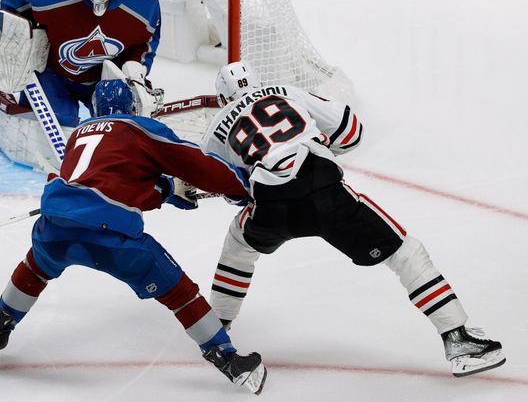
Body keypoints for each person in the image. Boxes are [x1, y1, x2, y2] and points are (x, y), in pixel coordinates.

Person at [201, 61, 505, 378]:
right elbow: (352, 131)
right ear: (258, 80)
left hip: (271, 205)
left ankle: (215, 333)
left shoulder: (213, 133)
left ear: (223, 98)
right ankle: (457, 339)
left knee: (238, 246)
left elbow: (231, 191)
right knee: (405, 252)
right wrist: (322, 145)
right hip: (323, 188)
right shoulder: (288, 93)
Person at [0, 79, 267, 395]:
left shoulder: (78, 134)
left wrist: (167, 192)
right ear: (131, 106)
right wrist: (243, 187)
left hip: (56, 225)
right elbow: (197, 164)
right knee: (179, 292)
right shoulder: (138, 128)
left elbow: (114, 183)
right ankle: (227, 358)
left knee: (34, 267)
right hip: (109, 237)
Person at [0, 0, 161, 126]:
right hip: (53, 71)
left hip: (104, 79)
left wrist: (135, 67)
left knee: (119, 125)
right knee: (52, 122)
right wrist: (16, 28)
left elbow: (146, 42)